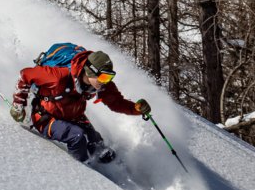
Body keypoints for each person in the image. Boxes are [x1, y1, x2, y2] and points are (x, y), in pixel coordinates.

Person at [9, 49, 151, 163]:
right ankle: (84, 171)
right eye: (103, 77)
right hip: (46, 117)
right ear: (90, 71)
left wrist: (136, 109)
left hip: (74, 115)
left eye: (109, 77)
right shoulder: (58, 77)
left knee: (98, 145)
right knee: (77, 136)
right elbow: (25, 75)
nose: (105, 82)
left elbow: (116, 103)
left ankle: (112, 170)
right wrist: (18, 105)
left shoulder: (101, 85)